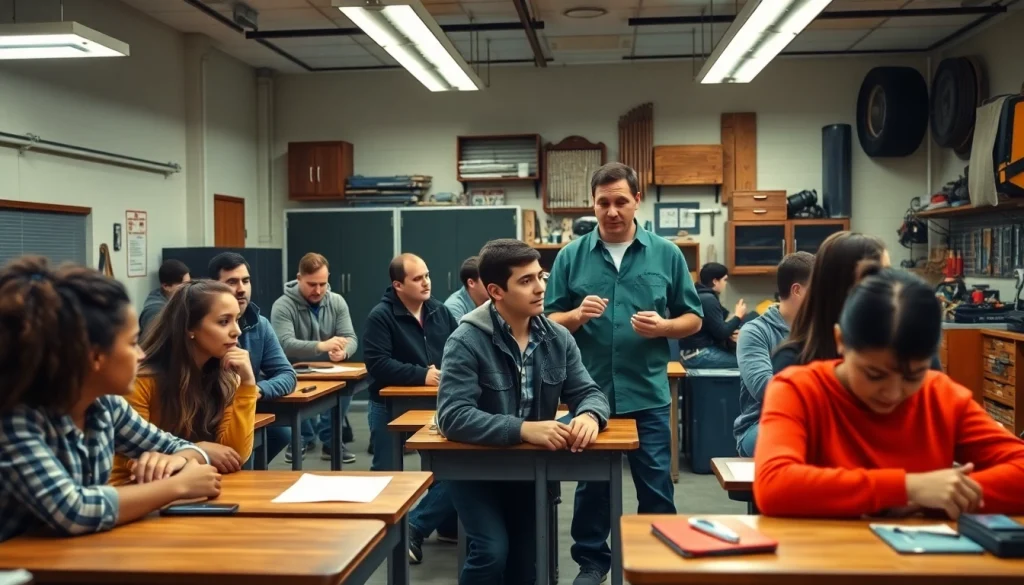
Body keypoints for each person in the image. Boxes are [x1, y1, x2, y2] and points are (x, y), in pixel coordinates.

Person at [754, 266, 1024, 518]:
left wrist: (947, 494)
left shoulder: (940, 396)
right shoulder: (798, 390)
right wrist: (908, 488)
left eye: (913, 376)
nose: (893, 393)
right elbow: (775, 485)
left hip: (923, 562)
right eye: (874, 374)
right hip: (821, 560)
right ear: (841, 342)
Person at [544, 162, 703, 585]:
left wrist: (665, 328)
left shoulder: (665, 254)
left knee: (655, 485)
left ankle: (656, 562)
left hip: (647, 393)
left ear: (637, 200)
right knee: (591, 488)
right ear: (593, 205)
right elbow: (546, 321)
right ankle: (592, 562)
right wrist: (576, 315)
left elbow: (694, 318)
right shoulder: (571, 256)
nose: (612, 211)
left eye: (620, 201)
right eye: (603, 203)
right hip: (589, 394)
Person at [0, 256, 221, 543]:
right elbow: (73, 510)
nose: (141, 355)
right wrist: (178, 486)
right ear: (94, 356)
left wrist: (175, 460)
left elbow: (181, 447)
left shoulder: (105, 406)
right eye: (132, 343)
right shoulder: (15, 419)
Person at [437, 239, 612, 585]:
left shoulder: (557, 337)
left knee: (527, 567)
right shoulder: (466, 340)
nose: (540, 287)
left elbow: (590, 392)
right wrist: (523, 429)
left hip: (529, 473)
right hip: (476, 471)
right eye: (526, 280)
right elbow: (452, 416)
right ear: (495, 291)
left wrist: (589, 415)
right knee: (490, 551)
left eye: (540, 276)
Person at [109, 279, 258, 485]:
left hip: (191, 488)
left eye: (237, 320)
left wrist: (248, 385)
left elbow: (234, 455)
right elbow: (139, 463)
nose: (237, 331)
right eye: (224, 322)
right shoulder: (142, 381)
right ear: (190, 328)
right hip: (133, 491)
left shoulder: (227, 377)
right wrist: (200, 450)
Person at [363, 252, 461, 562]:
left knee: (453, 468)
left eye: (427, 275)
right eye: (418, 279)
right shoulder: (381, 316)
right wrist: (422, 374)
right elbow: (377, 363)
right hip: (388, 405)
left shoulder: (440, 312)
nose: (426, 282)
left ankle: (428, 526)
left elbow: (462, 347)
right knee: (386, 475)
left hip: (435, 405)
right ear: (398, 285)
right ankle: (380, 539)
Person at [208, 252, 297, 465]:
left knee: (281, 432)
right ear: (213, 286)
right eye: (231, 282)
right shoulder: (204, 327)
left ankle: (250, 471)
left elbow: (287, 374)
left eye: (245, 281)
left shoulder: (260, 325)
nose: (241, 289)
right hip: (210, 416)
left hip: (244, 408)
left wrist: (255, 390)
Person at [271, 252, 358, 465]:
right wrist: (322, 346)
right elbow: (284, 343)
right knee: (295, 392)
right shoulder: (283, 305)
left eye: (323, 284)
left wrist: (344, 351)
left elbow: (351, 337)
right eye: (312, 284)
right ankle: (300, 437)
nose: (318, 290)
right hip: (293, 368)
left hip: (329, 368)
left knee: (347, 383)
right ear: (299, 278)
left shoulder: (336, 302)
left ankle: (330, 440)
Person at [771, 231, 889, 374]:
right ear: (844, 284)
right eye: (880, 275)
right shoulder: (793, 363)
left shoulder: (893, 347)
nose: (890, 284)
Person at [732, 252, 813, 458]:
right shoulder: (755, 332)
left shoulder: (821, 330)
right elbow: (766, 390)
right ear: (797, 291)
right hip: (761, 424)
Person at [679, 262, 745, 368]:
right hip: (698, 354)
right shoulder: (708, 300)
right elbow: (721, 332)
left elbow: (724, 318)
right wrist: (738, 316)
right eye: (725, 280)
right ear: (715, 281)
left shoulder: (700, 295)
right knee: (748, 363)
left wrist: (736, 330)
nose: (725, 284)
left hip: (690, 353)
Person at [138, 259, 190, 337]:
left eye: (189, 284)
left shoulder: (175, 299)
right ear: (166, 286)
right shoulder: (154, 312)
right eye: (184, 285)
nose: (188, 288)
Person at [444, 255, 489, 321]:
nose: (493, 283)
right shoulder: (454, 307)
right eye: (487, 279)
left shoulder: (494, 300)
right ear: (471, 283)